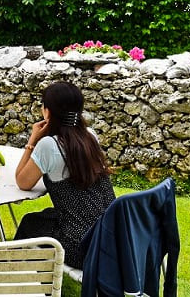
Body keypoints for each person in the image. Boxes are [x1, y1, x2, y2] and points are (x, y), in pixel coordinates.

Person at [14, 81, 116, 268]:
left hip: (81, 248)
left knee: (30, 223)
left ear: (48, 112)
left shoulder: (49, 145)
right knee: (45, 216)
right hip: (110, 241)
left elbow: (22, 181)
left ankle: (18, 277)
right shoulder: (90, 136)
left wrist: (33, 140)